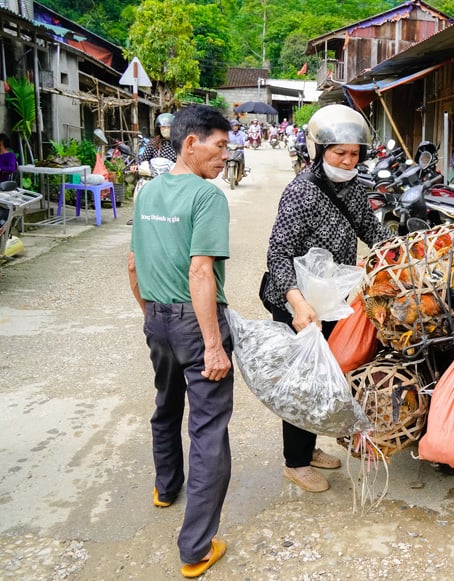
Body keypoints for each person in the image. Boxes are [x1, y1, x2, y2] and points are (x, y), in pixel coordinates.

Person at [263, 104, 392, 493]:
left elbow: (372, 229)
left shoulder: (353, 188)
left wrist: (405, 249)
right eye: (340, 153)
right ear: (319, 151)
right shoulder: (300, 191)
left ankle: (310, 446)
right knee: (303, 377)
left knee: (329, 373)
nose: (348, 160)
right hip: (297, 299)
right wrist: (299, 304)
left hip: (333, 295)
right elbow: (278, 251)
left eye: (354, 154)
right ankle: (295, 461)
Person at [127, 104, 233, 578]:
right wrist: (212, 344)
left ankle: (165, 487)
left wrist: (151, 314)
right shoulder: (207, 197)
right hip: (197, 322)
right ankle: (195, 550)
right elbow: (200, 271)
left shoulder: (146, 192)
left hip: (158, 318)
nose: (226, 155)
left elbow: (133, 264)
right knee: (208, 430)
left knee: (166, 405)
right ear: (191, 143)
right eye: (221, 144)